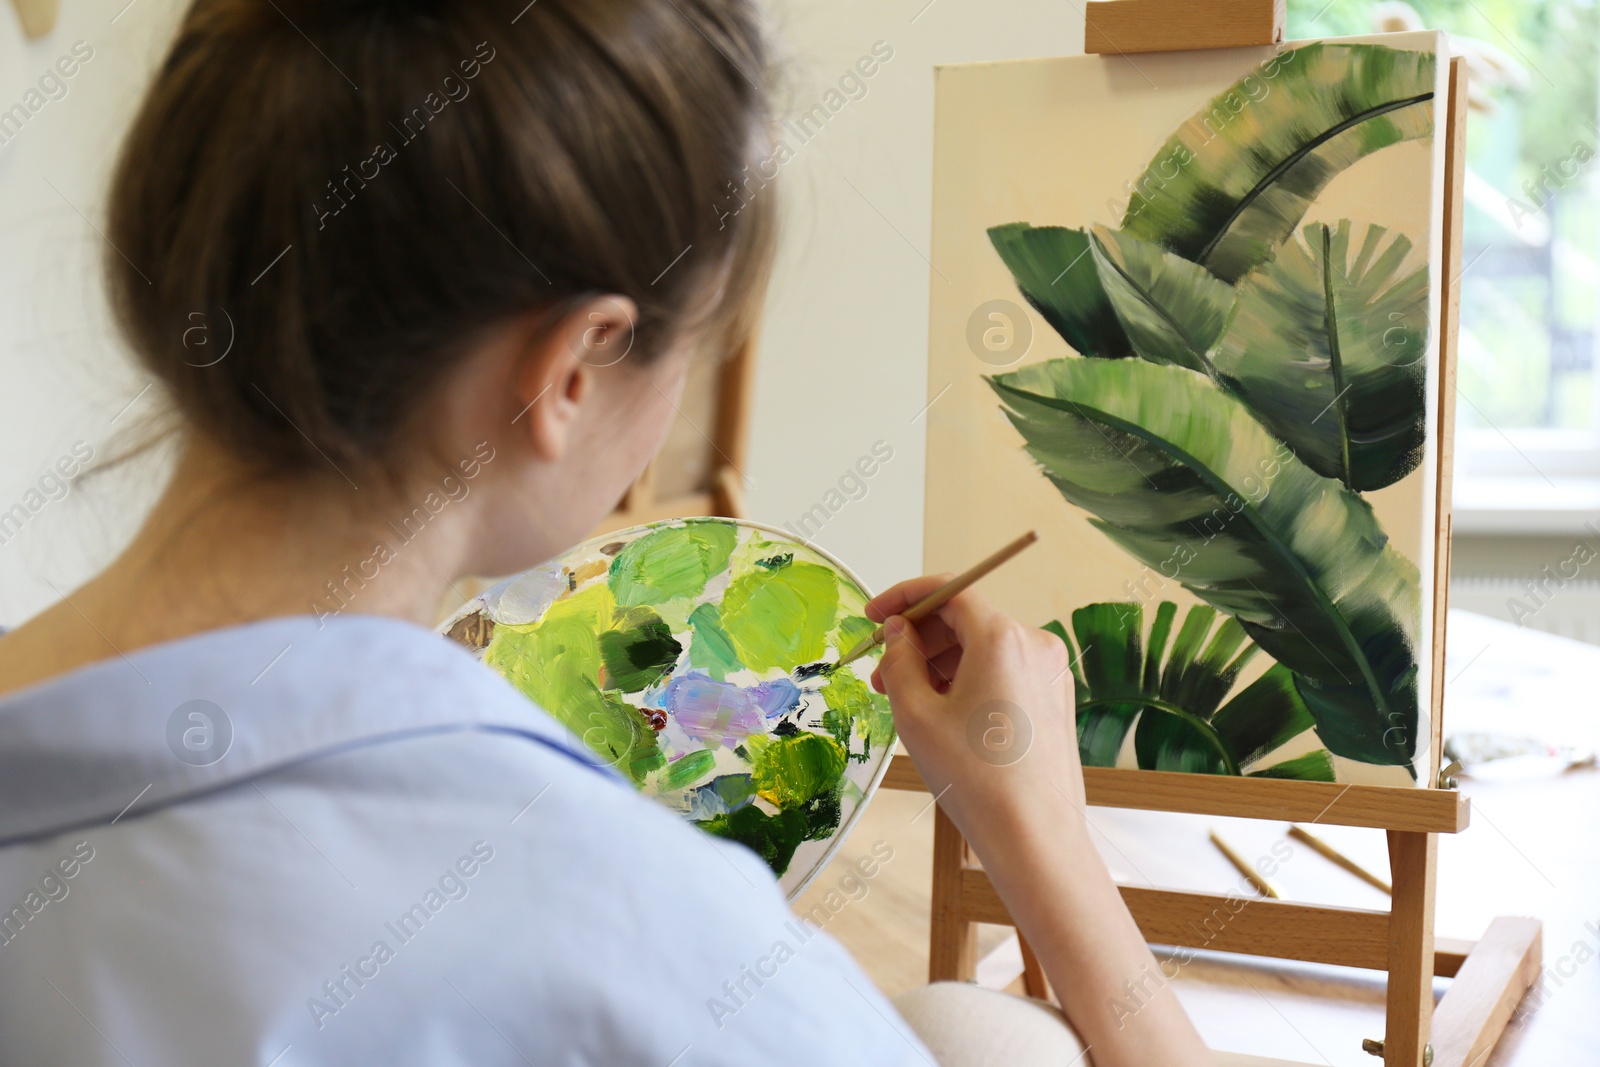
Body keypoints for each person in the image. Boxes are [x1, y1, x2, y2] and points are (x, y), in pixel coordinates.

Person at [0, 0, 1206, 1063]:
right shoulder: (643, 931)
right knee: (994, 1039)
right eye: (695, 349)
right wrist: (1048, 844)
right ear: (570, 373)